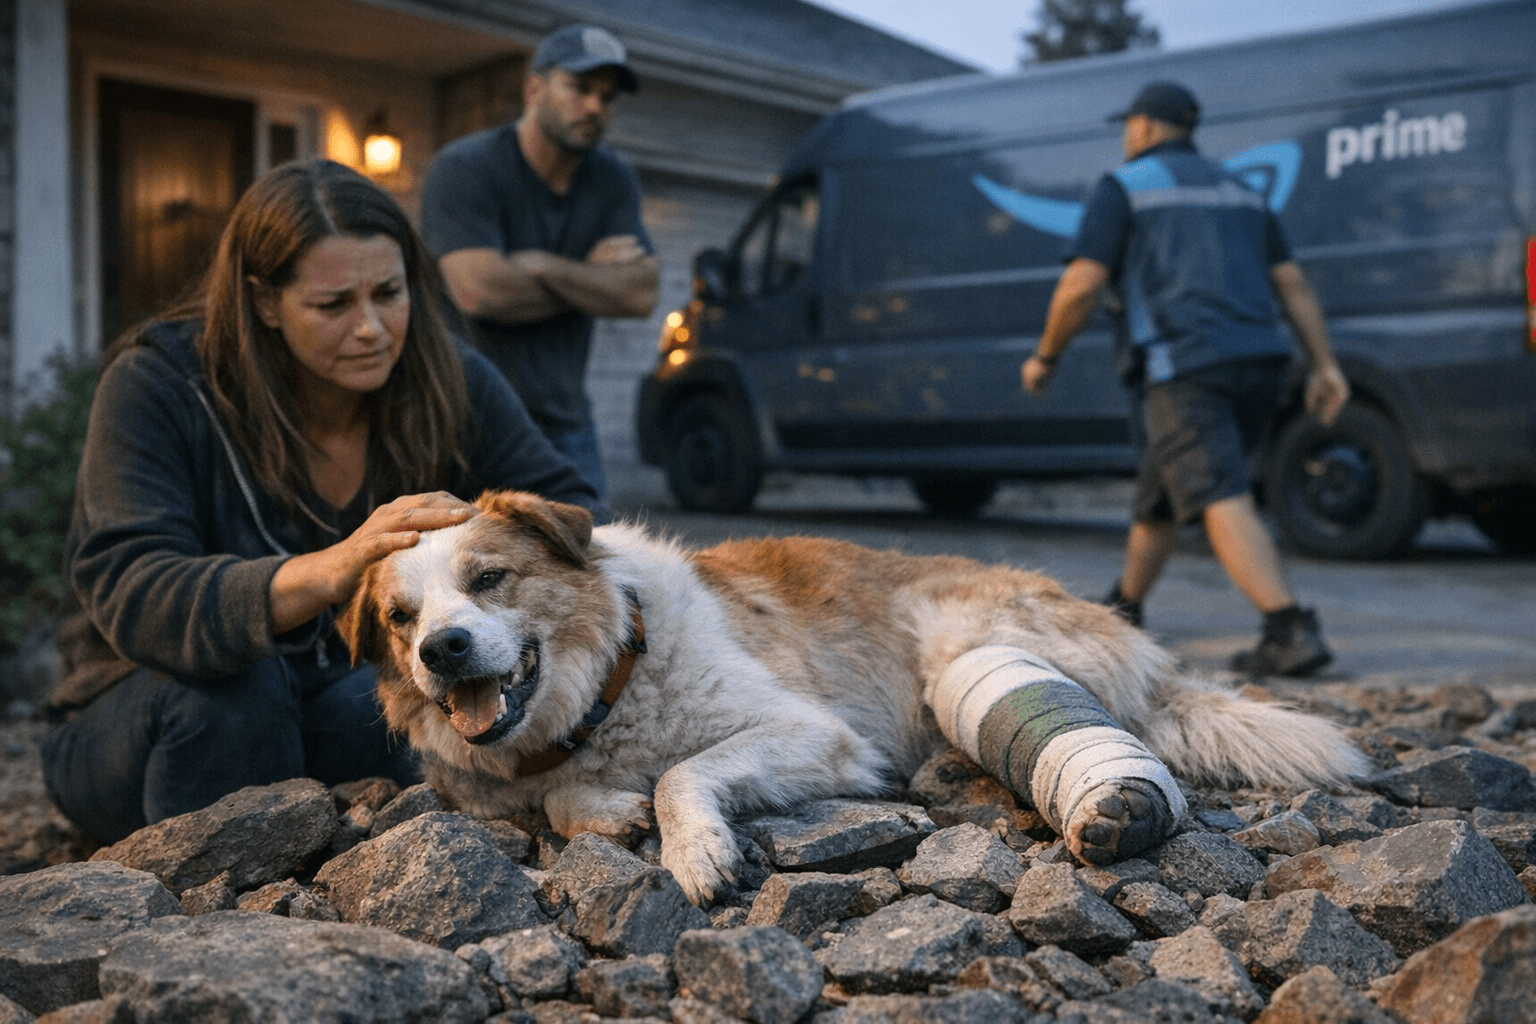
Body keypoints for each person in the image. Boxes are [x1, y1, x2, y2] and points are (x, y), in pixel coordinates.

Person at [42, 159, 600, 845]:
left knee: (396, 704)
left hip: (325, 699)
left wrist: (485, 553)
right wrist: (330, 570)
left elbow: (570, 511)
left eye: (389, 293)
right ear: (264, 302)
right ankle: (207, 891)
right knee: (240, 694)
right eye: (334, 305)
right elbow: (134, 590)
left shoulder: (446, 375)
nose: (371, 328)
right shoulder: (158, 386)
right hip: (142, 714)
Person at [1021, 82, 1350, 678]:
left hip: (1184, 364)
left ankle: (1288, 628)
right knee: (1162, 491)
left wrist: (1045, 356)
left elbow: (1081, 285)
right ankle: (1125, 610)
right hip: (1261, 362)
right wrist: (1325, 365)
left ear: (1144, 126)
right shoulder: (1241, 189)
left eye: (1129, 125)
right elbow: (1292, 285)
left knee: (1218, 491)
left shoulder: (1124, 186)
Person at [420, 23, 660, 522]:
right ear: (534, 88)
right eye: (580, 87)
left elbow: (640, 294)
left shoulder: (612, 179)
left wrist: (540, 264)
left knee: (595, 556)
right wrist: (591, 279)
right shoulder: (467, 166)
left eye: (606, 96)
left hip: (563, 424)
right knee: (454, 562)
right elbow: (478, 291)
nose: (594, 106)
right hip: (463, 422)